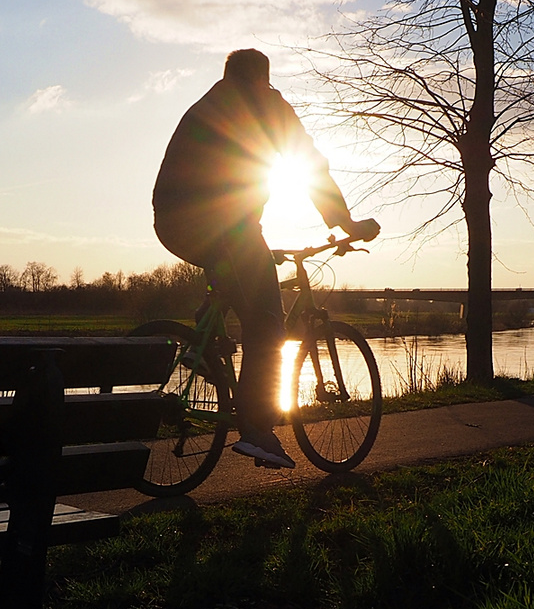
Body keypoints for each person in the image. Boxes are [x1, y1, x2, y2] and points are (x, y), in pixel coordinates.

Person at [152, 48, 379, 469]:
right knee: (268, 324)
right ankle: (256, 430)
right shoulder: (266, 104)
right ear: (262, 79)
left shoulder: (208, 103)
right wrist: (346, 223)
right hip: (221, 224)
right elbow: (310, 165)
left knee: (238, 278)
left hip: (171, 221)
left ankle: (203, 340)